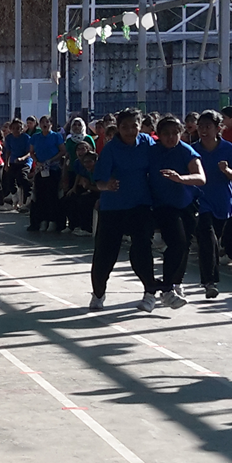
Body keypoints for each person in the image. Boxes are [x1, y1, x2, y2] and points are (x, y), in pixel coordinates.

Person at [89, 108, 157, 312]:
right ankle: (98, 293)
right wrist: (107, 185)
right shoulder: (111, 149)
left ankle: (150, 293)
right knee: (105, 254)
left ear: (140, 126)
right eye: (124, 127)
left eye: (134, 126)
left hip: (141, 205)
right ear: (118, 128)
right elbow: (99, 181)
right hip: (114, 207)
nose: (129, 131)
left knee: (142, 250)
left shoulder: (147, 143)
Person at [147, 115, 205, 308]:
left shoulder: (186, 151)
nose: (171, 137)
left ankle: (175, 283)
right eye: (166, 133)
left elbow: (201, 177)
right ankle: (167, 288)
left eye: (175, 133)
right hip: (163, 205)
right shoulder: (152, 152)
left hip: (186, 204)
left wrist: (181, 178)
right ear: (159, 134)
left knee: (184, 245)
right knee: (177, 242)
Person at [193, 109, 232, 299]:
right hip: (200, 201)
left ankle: (210, 278)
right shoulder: (193, 149)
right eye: (201, 127)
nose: (204, 130)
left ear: (218, 128)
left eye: (208, 126)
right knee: (207, 237)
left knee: (214, 239)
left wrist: (226, 170)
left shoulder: (228, 149)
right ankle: (209, 281)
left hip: (221, 201)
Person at [28, 115, 67, 232]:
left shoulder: (56, 136)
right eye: (42, 122)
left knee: (52, 195)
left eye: (47, 122)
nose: (45, 124)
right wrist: (37, 161)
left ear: (51, 124)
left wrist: (51, 160)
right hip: (40, 170)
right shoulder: (35, 137)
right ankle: (41, 220)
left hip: (53, 169)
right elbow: (31, 152)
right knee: (39, 196)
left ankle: (53, 220)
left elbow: (63, 151)